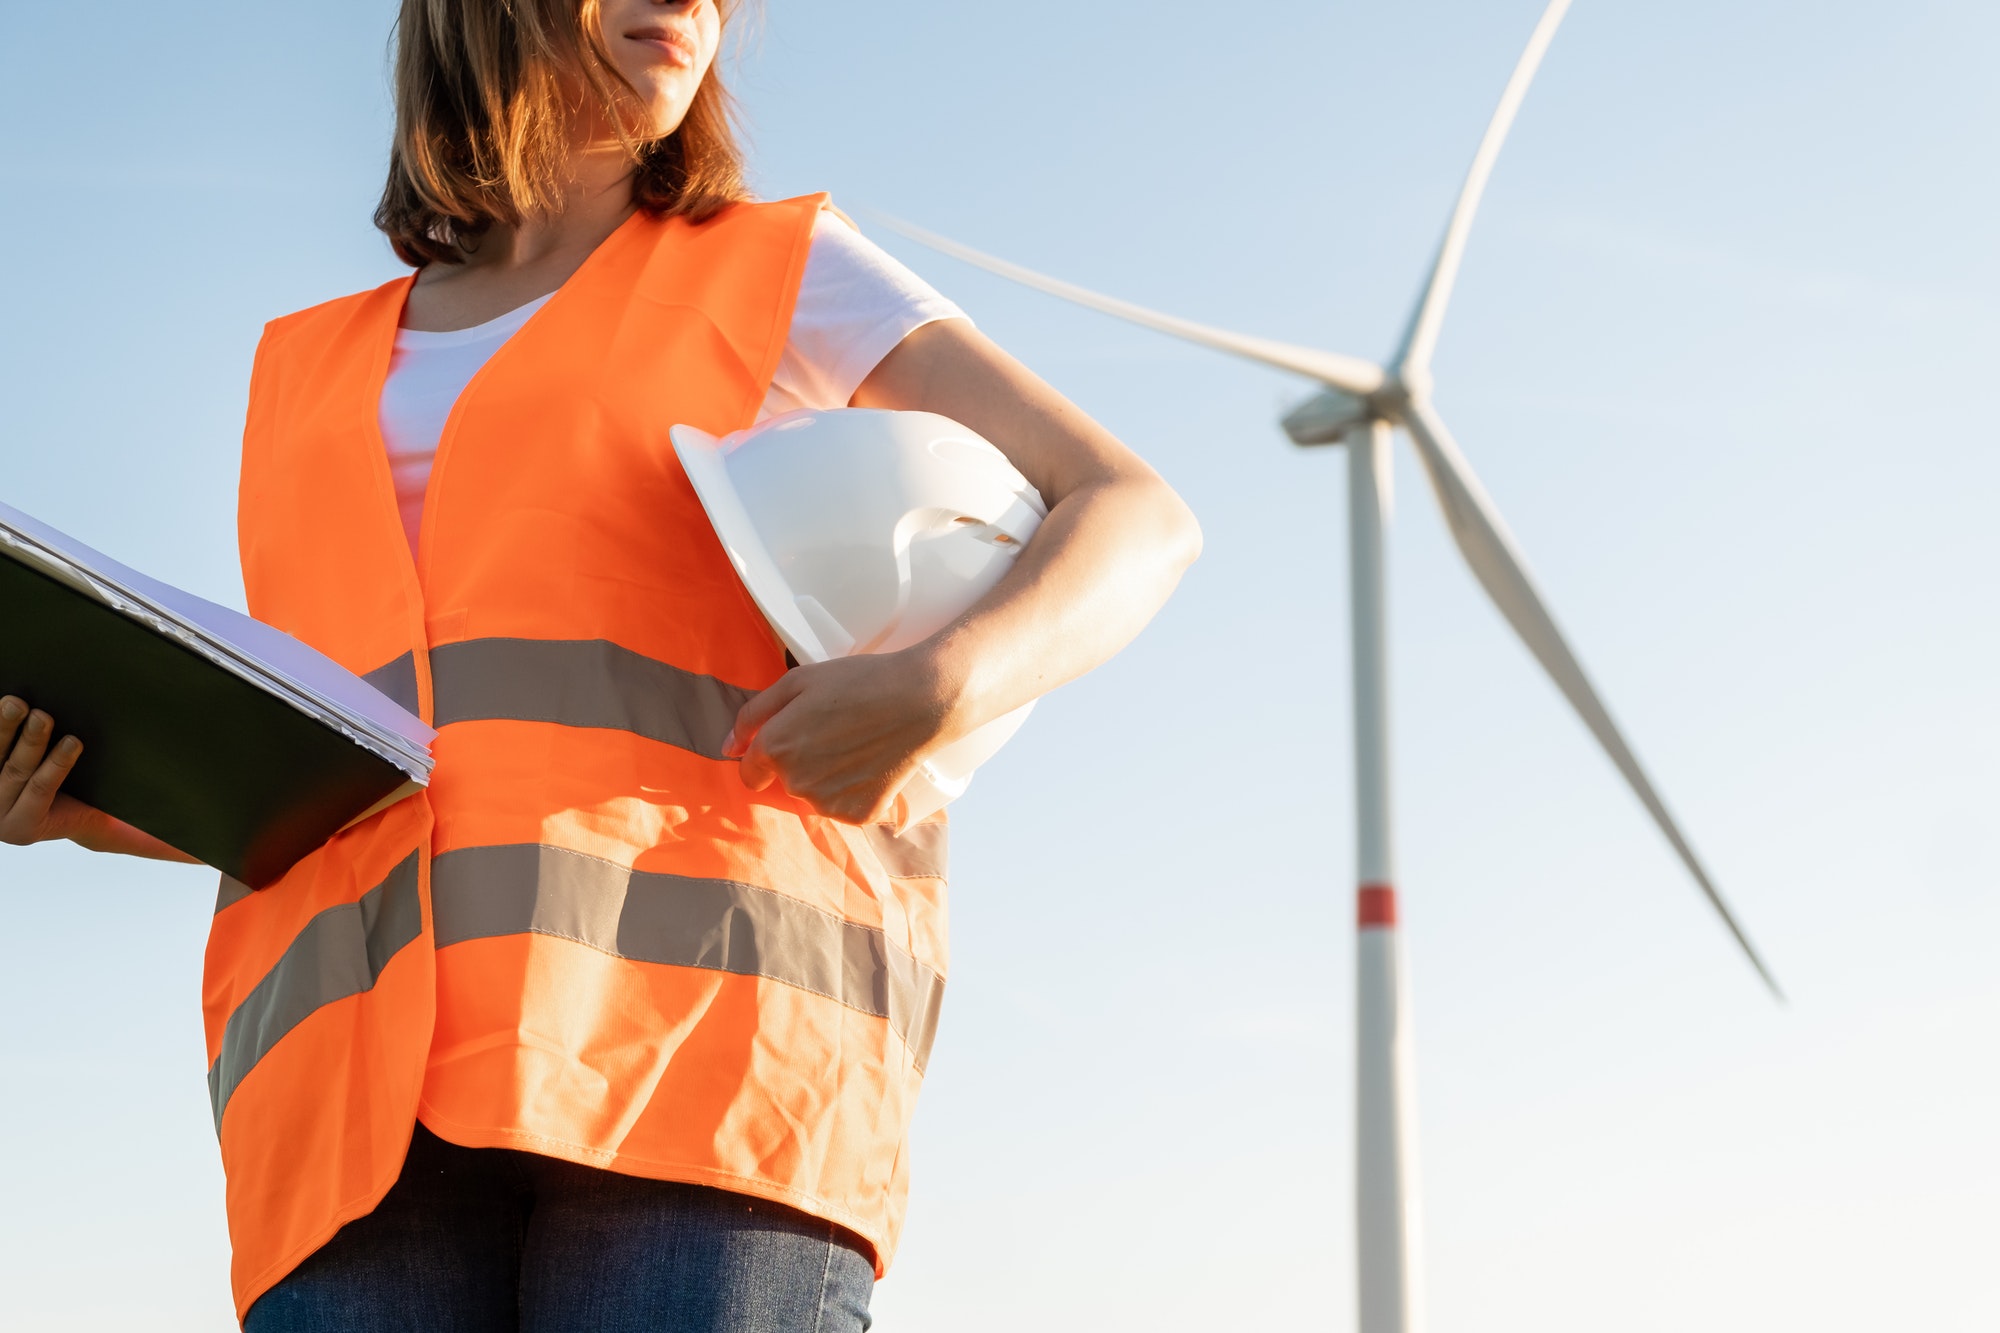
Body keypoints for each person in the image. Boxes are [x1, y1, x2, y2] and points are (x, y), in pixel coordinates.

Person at [0, 1, 1200, 1328]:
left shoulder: (780, 269)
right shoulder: (301, 373)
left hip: (698, 1078)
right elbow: (375, 760)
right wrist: (87, 795)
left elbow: (1136, 513)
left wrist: (942, 684)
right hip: (350, 1121)